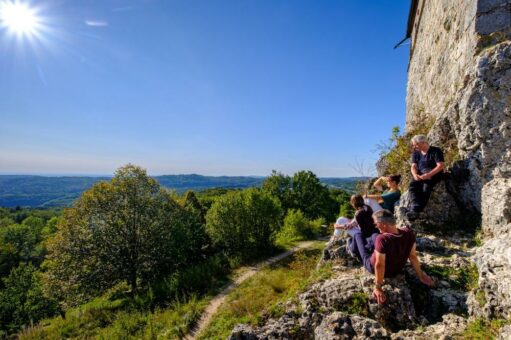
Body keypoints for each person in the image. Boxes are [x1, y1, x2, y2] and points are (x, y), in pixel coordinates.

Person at [353, 209, 434, 305]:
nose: (375, 226)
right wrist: (421, 275)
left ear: (383, 224)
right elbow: (412, 256)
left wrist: (378, 287)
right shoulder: (408, 233)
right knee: (373, 238)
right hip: (397, 269)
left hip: (373, 266)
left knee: (357, 236)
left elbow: (379, 265)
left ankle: (353, 250)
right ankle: (368, 246)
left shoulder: (382, 239)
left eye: (376, 224)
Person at [405, 135, 444, 220]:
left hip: (433, 174)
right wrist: (415, 175)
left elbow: (440, 165)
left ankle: (416, 210)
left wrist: (429, 175)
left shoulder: (435, 151)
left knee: (426, 188)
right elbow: (413, 166)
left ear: (423, 142)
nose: (414, 146)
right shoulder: (416, 153)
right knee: (412, 186)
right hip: (420, 174)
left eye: (416, 144)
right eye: (413, 145)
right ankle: (414, 205)